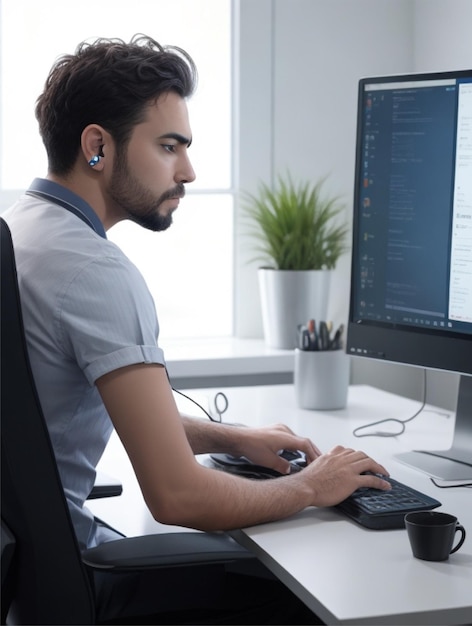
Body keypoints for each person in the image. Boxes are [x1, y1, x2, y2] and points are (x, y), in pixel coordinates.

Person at [3, 35, 391, 624]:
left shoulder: (24, 230)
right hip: (87, 587)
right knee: (316, 593)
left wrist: (232, 438)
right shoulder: (94, 270)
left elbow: (57, 410)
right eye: (168, 146)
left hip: (30, 577)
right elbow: (177, 497)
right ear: (96, 146)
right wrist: (314, 484)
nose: (187, 170)